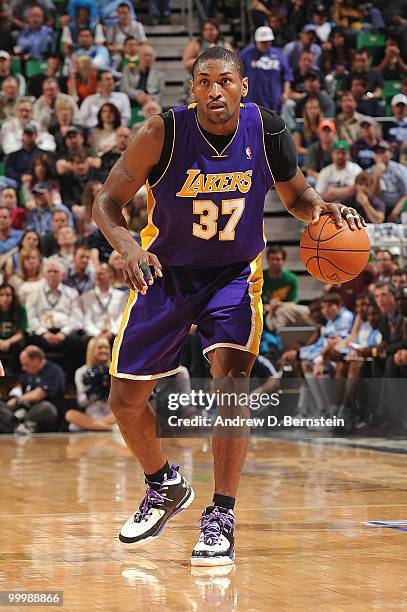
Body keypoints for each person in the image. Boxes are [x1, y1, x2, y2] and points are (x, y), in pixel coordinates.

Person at [92, 46, 365, 565]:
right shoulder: (162, 132)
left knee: (232, 378)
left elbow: (297, 197)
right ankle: (164, 484)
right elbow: (106, 201)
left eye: (225, 81)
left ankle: (221, 512)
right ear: (192, 90)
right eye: (204, 82)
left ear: (243, 86)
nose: (215, 91)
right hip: (166, 273)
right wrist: (128, 246)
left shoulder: (266, 129)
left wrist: (320, 210)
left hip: (233, 275)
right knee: (124, 402)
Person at [6, 346, 64, 433]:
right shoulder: (28, 373)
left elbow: (38, 395)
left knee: (46, 407)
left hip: (47, 411)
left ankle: (18, 424)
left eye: (26, 364)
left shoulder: (53, 371)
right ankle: (14, 424)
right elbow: (23, 391)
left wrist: (17, 400)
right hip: (26, 408)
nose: (23, 368)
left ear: (36, 360)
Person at [66, 337, 116, 431]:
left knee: (74, 427)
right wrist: (93, 392)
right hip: (91, 416)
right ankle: (108, 428)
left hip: (112, 415)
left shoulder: (115, 371)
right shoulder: (81, 372)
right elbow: (81, 402)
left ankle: (96, 427)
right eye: (100, 347)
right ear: (91, 350)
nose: (104, 351)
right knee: (70, 415)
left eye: (106, 348)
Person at [239, 26, 293, 112]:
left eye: (267, 42)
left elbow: (286, 75)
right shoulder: (246, 54)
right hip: (251, 101)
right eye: (262, 42)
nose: (265, 44)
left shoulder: (278, 55)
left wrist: (286, 93)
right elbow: (238, 75)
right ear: (256, 41)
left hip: (273, 101)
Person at [262, 246, 312, 329]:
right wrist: (265, 306)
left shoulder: (292, 279)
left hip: (283, 311)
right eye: (272, 259)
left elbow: (293, 303)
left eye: (278, 259)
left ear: (283, 261)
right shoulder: (260, 278)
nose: (274, 262)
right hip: (263, 312)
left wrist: (278, 304)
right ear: (267, 260)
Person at [80, 262, 128, 339]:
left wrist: (112, 332)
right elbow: (86, 320)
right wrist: (98, 334)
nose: (98, 276)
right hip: (94, 335)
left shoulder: (121, 296)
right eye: (96, 273)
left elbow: (122, 318)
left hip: (115, 334)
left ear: (111, 276)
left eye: (101, 273)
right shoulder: (86, 296)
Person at [369, 139, 407, 222]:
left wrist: (395, 212)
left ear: (390, 153)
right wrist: (377, 175)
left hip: (398, 206)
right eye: (377, 152)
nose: (380, 155)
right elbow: (376, 196)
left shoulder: (400, 170)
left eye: (383, 151)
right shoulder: (369, 172)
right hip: (379, 208)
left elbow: (405, 194)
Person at [0, 283, 27, 372]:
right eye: (1, 295)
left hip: (13, 339)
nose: (5, 298)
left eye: (8, 295)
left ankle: (16, 375)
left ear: (13, 296)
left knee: (22, 344)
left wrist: (8, 342)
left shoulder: (20, 309)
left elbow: (20, 334)